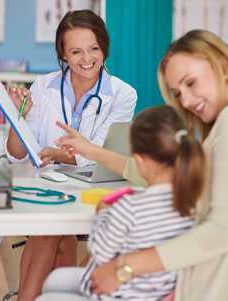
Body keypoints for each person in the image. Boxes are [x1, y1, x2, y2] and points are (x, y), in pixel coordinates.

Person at [46, 29, 228, 301]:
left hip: (199, 289)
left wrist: (124, 268)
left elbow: (220, 231)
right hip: (180, 281)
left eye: (191, 83)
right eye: (178, 93)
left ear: (222, 65)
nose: (186, 101)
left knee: (51, 295)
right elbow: (152, 171)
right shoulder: (214, 131)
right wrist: (92, 151)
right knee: (57, 281)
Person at [6, 10, 137, 301]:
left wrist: (58, 152)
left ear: (104, 47)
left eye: (94, 48)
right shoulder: (43, 86)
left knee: (52, 232)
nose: (86, 58)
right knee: (55, 234)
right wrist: (18, 117)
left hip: (93, 187)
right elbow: (18, 153)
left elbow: (102, 153)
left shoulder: (123, 94)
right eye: (75, 51)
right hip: (47, 187)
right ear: (63, 55)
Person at [35, 105, 205, 301]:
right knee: (56, 280)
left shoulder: (129, 207)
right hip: (156, 294)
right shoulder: (192, 205)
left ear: (139, 161)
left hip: (117, 294)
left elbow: (99, 252)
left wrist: (103, 214)